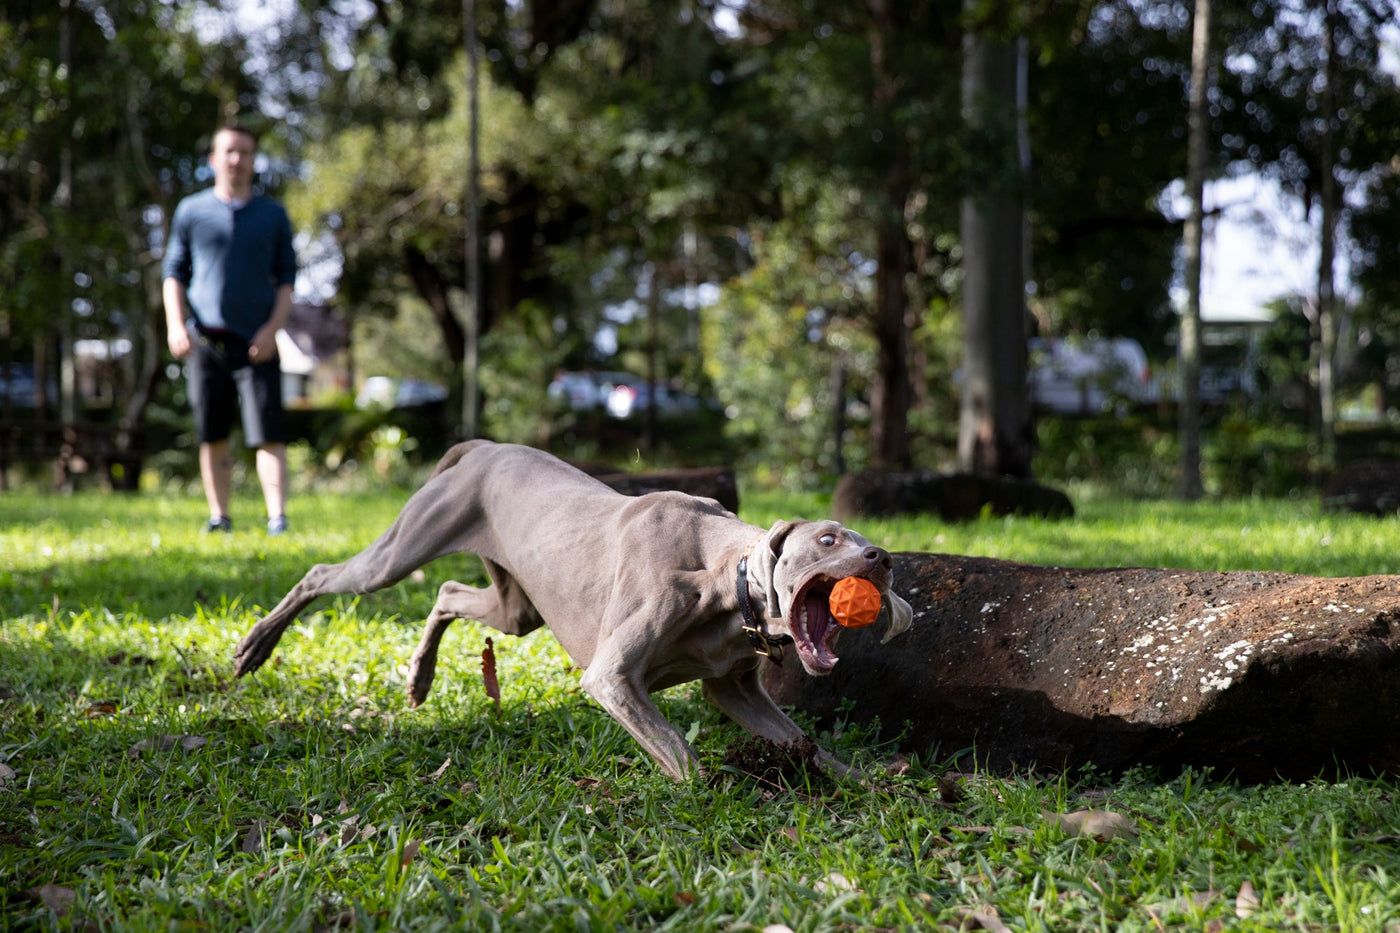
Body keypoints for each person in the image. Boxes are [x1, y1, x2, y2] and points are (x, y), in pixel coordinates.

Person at [163, 123, 298, 535]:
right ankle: (219, 516)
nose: (236, 159)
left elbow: (287, 280)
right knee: (212, 433)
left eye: (245, 152)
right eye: (229, 151)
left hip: (257, 343)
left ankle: (277, 517)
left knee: (268, 433)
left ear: (254, 161)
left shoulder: (272, 215)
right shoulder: (191, 211)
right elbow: (174, 273)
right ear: (213, 159)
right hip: (206, 340)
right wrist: (175, 325)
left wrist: (271, 331)